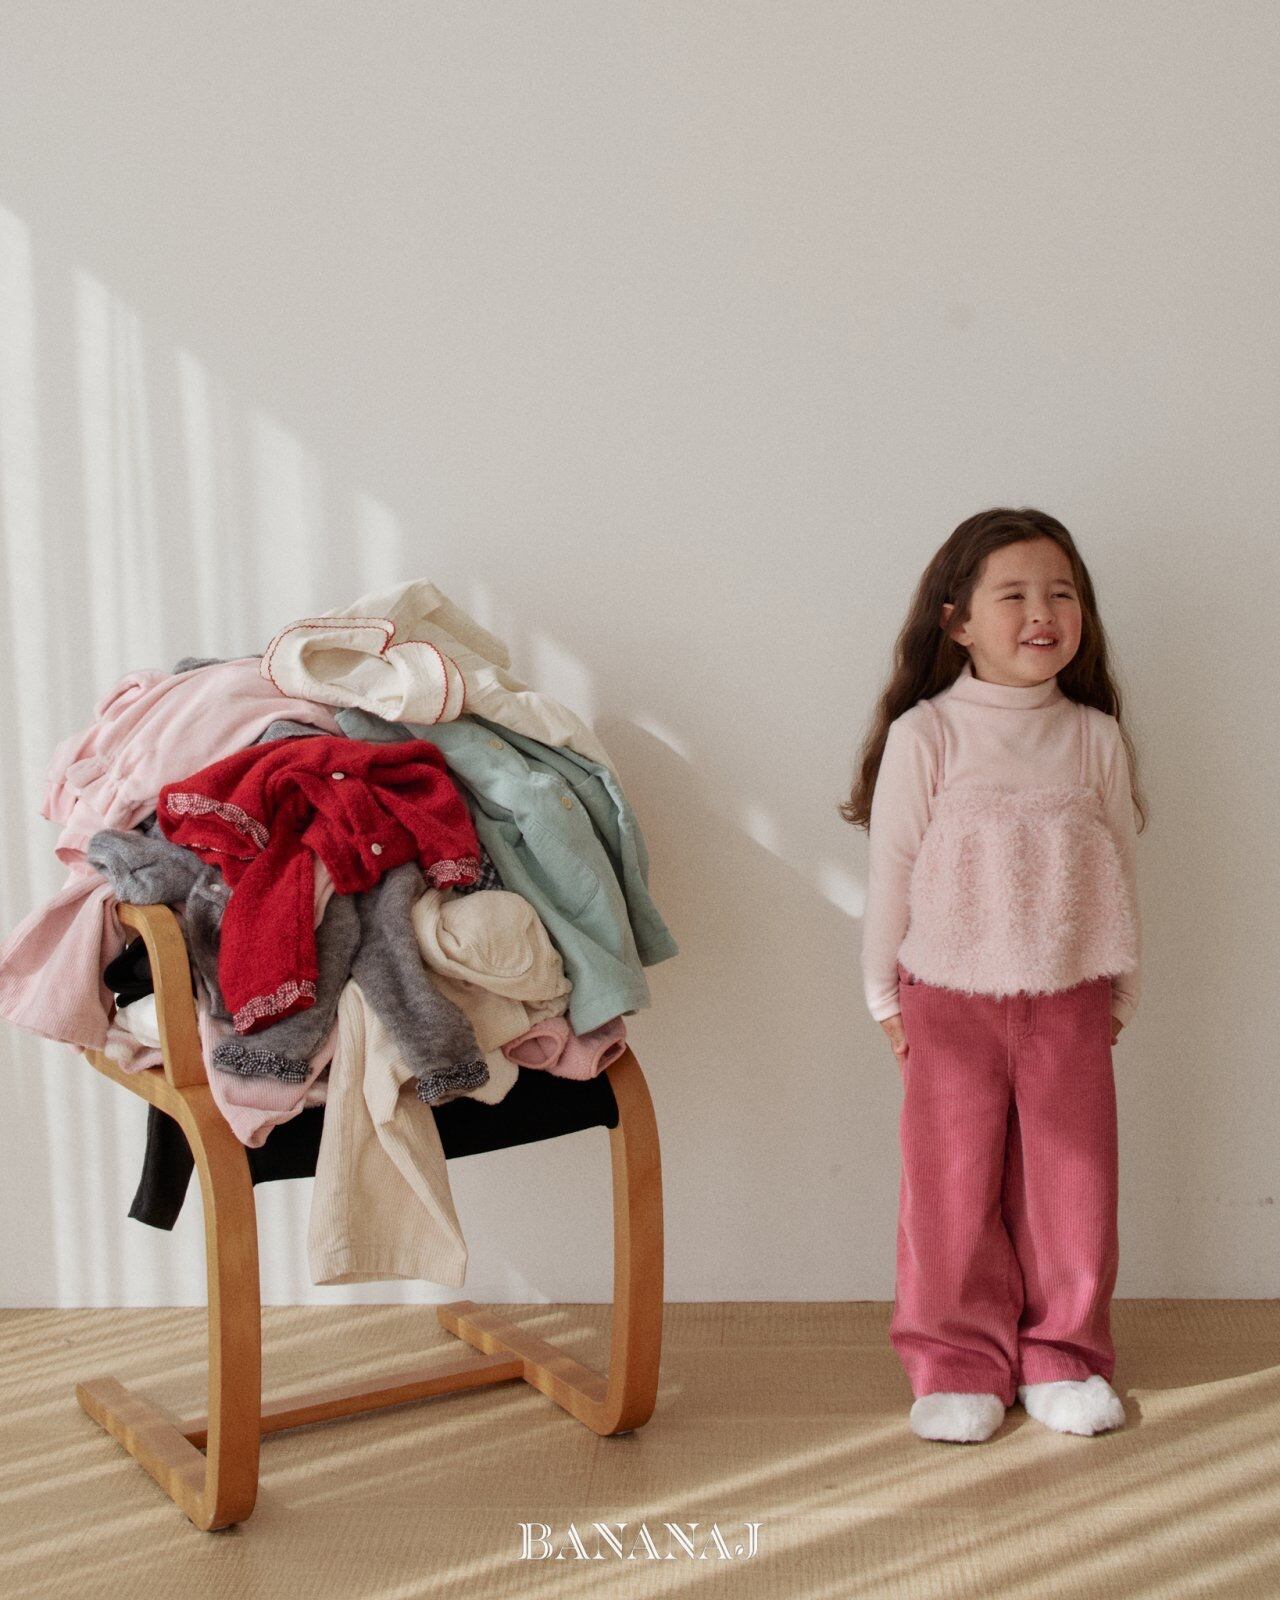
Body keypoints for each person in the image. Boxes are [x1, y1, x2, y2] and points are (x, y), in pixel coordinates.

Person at [842, 507, 1147, 1444]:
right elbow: (892, 871)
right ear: (958, 622)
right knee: (950, 1190)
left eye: (1062, 593)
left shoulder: (1093, 736)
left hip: (1070, 996)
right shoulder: (927, 734)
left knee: (1073, 1189)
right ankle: (956, 1361)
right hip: (946, 1000)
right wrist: (883, 996)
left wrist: (1124, 991)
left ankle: (1064, 1356)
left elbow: (1122, 871)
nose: (1042, 612)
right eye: (1012, 595)